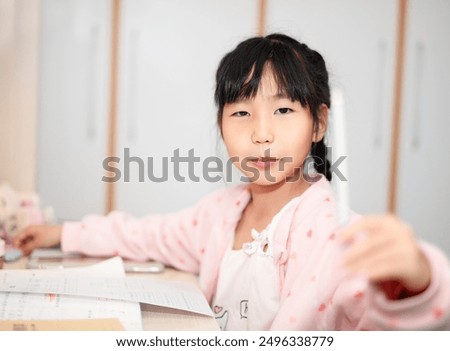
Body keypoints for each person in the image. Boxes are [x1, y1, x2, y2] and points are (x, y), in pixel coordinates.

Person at [14, 33, 450, 331]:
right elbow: (149, 235)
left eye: (282, 111)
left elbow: (381, 306)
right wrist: (62, 232)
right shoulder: (221, 211)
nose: (261, 133)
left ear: (318, 123)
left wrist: (417, 276)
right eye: (241, 113)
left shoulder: (328, 229)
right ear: (221, 126)